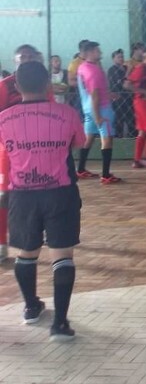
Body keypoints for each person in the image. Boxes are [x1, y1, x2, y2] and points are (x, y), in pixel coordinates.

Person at [0, 61, 86, 341]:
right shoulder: (66, 113)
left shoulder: (4, 119)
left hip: (22, 195)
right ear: (48, 84)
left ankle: (31, 307)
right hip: (60, 191)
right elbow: (78, 143)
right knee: (62, 254)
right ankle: (60, 324)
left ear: (16, 86)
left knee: (26, 253)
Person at [75, 42, 121, 184]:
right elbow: (94, 94)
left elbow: (94, 92)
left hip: (88, 108)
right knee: (106, 139)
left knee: (88, 138)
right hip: (100, 109)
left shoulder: (82, 67)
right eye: (97, 50)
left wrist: (108, 94)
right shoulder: (93, 71)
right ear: (90, 52)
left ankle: (80, 169)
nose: (100, 52)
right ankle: (106, 175)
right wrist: (98, 116)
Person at [107, 48, 132, 138]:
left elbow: (132, 81)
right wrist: (128, 71)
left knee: (131, 119)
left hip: (128, 97)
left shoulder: (125, 68)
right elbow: (121, 84)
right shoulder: (112, 70)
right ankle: (118, 137)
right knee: (119, 120)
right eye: (118, 57)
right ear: (113, 59)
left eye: (122, 57)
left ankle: (131, 137)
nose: (121, 59)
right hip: (118, 98)